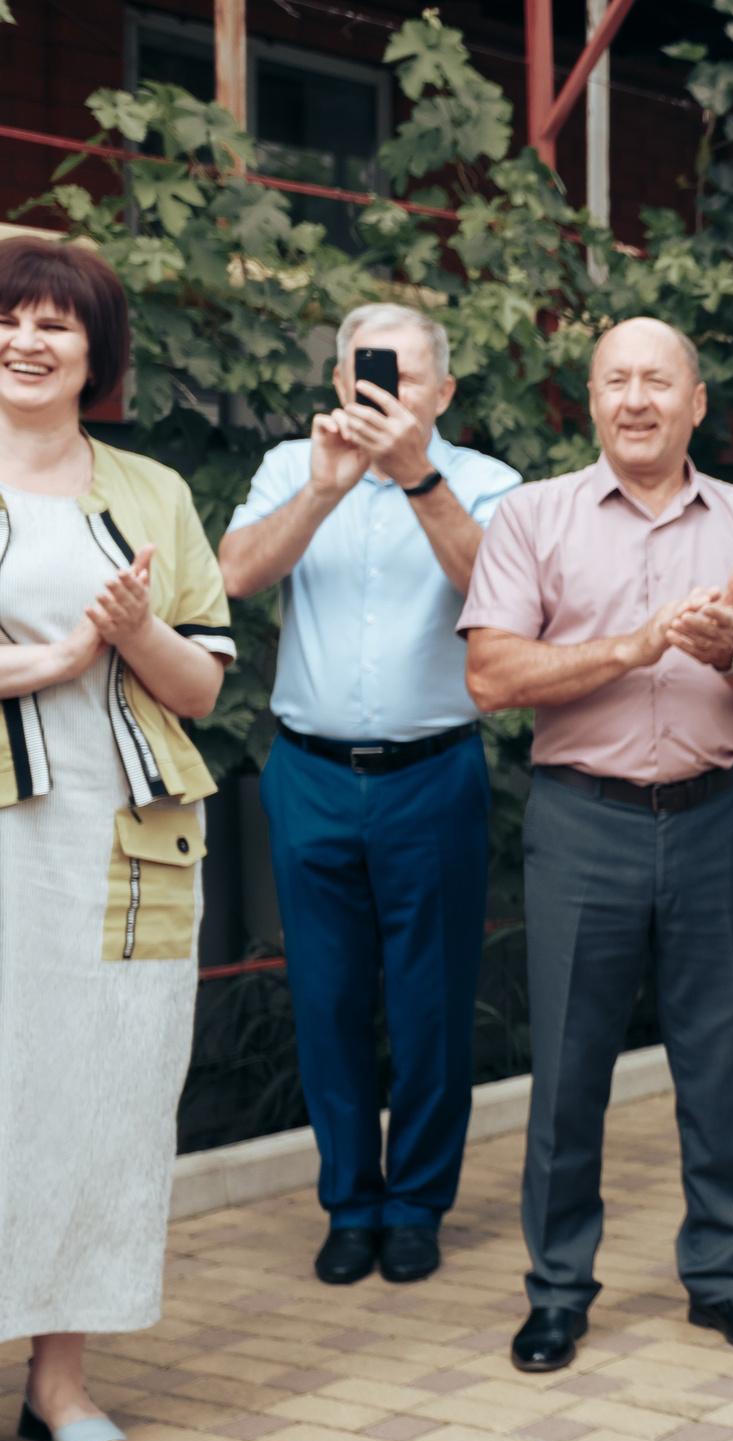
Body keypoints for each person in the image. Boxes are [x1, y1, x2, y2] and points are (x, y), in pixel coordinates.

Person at [459, 316, 733, 1375]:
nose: (636, 399)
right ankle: (558, 1291)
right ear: (590, 399)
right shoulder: (534, 517)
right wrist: (636, 645)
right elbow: (491, 677)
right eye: (616, 380)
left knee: (716, 1062)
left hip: (715, 814)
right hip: (583, 818)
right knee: (568, 1068)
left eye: (657, 382)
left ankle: (723, 1280)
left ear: (695, 403)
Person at [0, 237, 235, 1441]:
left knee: (90, 1093)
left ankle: (59, 1381)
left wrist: (130, 639)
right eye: (6, 319)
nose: (29, 341)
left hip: (117, 838)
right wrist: (54, 661)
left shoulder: (151, 492)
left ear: (95, 354)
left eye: (57, 326)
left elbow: (205, 688)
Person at [221, 303, 521, 1289]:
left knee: (432, 1001)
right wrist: (322, 491)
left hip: (431, 771)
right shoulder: (287, 465)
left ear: (442, 392)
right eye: (360, 372)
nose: (377, 389)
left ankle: (418, 1203)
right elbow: (233, 577)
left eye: (398, 374)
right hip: (308, 772)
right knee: (327, 997)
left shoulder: (487, 483)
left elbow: (503, 596)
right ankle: (350, 1201)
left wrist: (415, 480)